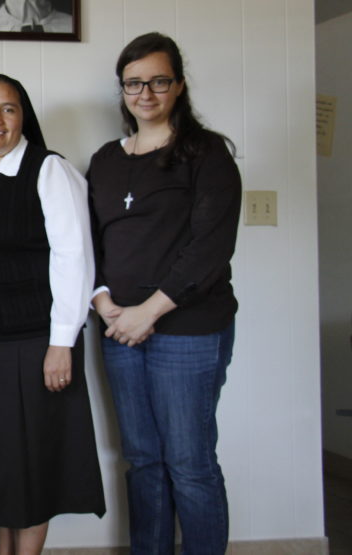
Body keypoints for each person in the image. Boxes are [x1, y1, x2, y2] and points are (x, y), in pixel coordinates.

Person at [87, 32, 241, 554]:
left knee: (190, 463)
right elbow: (88, 245)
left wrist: (148, 312)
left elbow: (210, 248)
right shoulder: (106, 160)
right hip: (117, 329)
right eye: (134, 83)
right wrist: (108, 307)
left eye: (158, 81)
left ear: (178, 85)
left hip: (189, 329)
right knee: (144, 459)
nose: (145, 93)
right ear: (123, 89)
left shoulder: (206, 152)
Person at [0, 74, 105, 555]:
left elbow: (74, 258)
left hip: (34, 344)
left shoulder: (48, 170)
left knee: (32, 467)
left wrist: (62, 343)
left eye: (8, 109)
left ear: (23, 117)